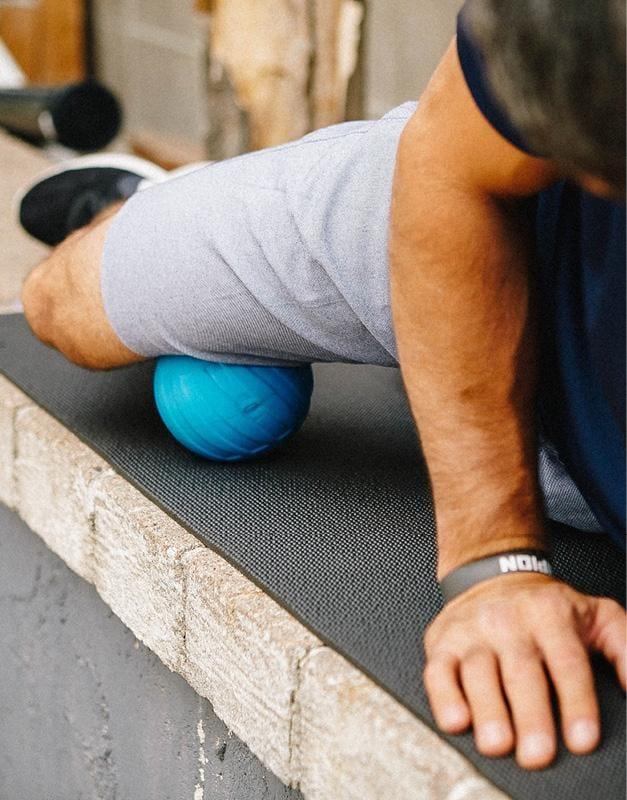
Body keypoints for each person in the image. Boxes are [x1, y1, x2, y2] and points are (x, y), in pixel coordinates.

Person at [16, 0, 625, 771]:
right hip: (495, 229)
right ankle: (149, 200)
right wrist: (492, 560)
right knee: (63, 304)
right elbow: (449, 163)